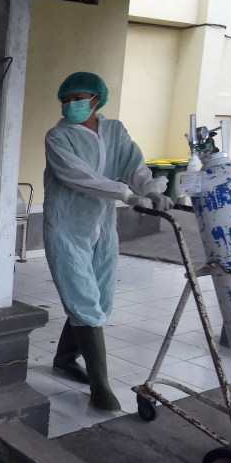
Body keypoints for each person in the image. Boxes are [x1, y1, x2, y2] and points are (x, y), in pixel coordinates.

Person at [43, 71, 173, 411]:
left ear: (97, 99)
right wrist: (127, 195)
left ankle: (65, 358)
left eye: (79, 98)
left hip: (102, 224)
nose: (72, 105)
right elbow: (77, 176)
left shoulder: (115, 130)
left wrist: (152, 190)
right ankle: (101, 387)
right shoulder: (58, 136)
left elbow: (134, 164)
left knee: (99, 297)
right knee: (82, 296)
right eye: (67, 100)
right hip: (66, 225)